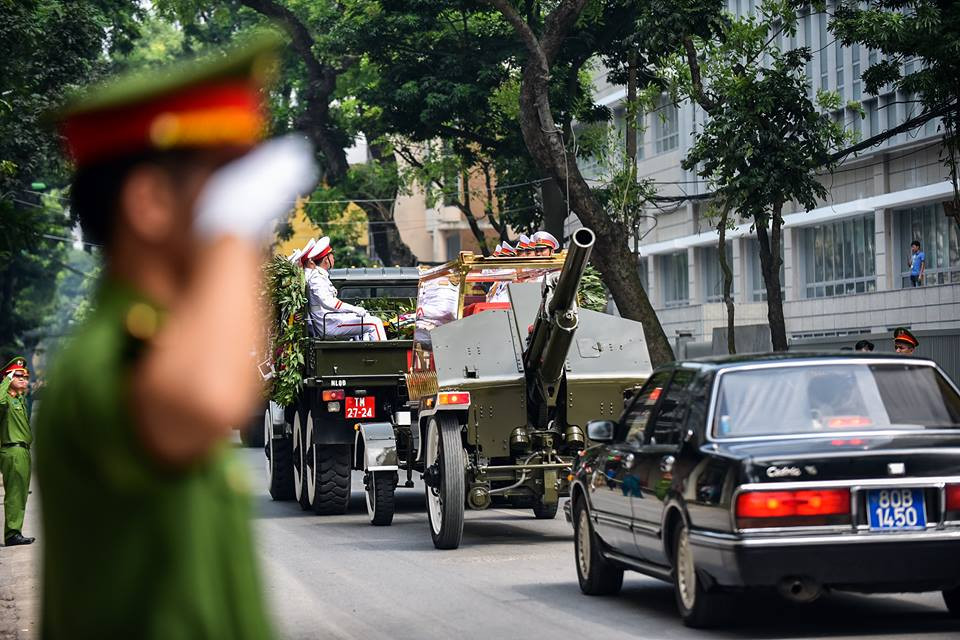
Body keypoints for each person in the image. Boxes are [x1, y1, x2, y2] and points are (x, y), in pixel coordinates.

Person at [37, 35, 316, 638]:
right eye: (219, 183)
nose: (245, 213)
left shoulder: (159, 344)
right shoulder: (111, 357)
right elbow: (212, 398)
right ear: (149, 203)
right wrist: (232, 236)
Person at [304, 236, 386, 340]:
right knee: (374, 323)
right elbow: (329, 303)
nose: (333, 258)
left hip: (332, 320)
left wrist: (352, 311)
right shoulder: (316, 279)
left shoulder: (320, 276)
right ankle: (384, 355)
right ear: (326, 259)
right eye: (332, 255)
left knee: (368, 318)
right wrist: (354, 309)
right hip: (330, 325)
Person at [0, 357, 34, 547]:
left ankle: (15, 531)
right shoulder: (4, 402)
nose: (24, 378)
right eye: (18, 375)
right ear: (8, 376)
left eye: (26, 376)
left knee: (20, 493)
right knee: (14, 493)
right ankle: (12, 534)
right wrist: (5, 380)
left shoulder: (18, 400)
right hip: (12, 450)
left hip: (22, 451)